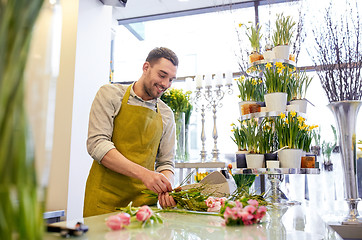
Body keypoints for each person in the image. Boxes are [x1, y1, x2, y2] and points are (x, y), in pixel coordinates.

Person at [83, 47, 178, 217]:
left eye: (171, 79)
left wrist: (167, 187)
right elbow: (97, 144)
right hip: (103, 202)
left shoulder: (166, 114)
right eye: (162, 75)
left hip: (144, 208)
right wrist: (145, 175)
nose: (166, 84)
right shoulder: (110, 95)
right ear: (146, 67)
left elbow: (166, 162)